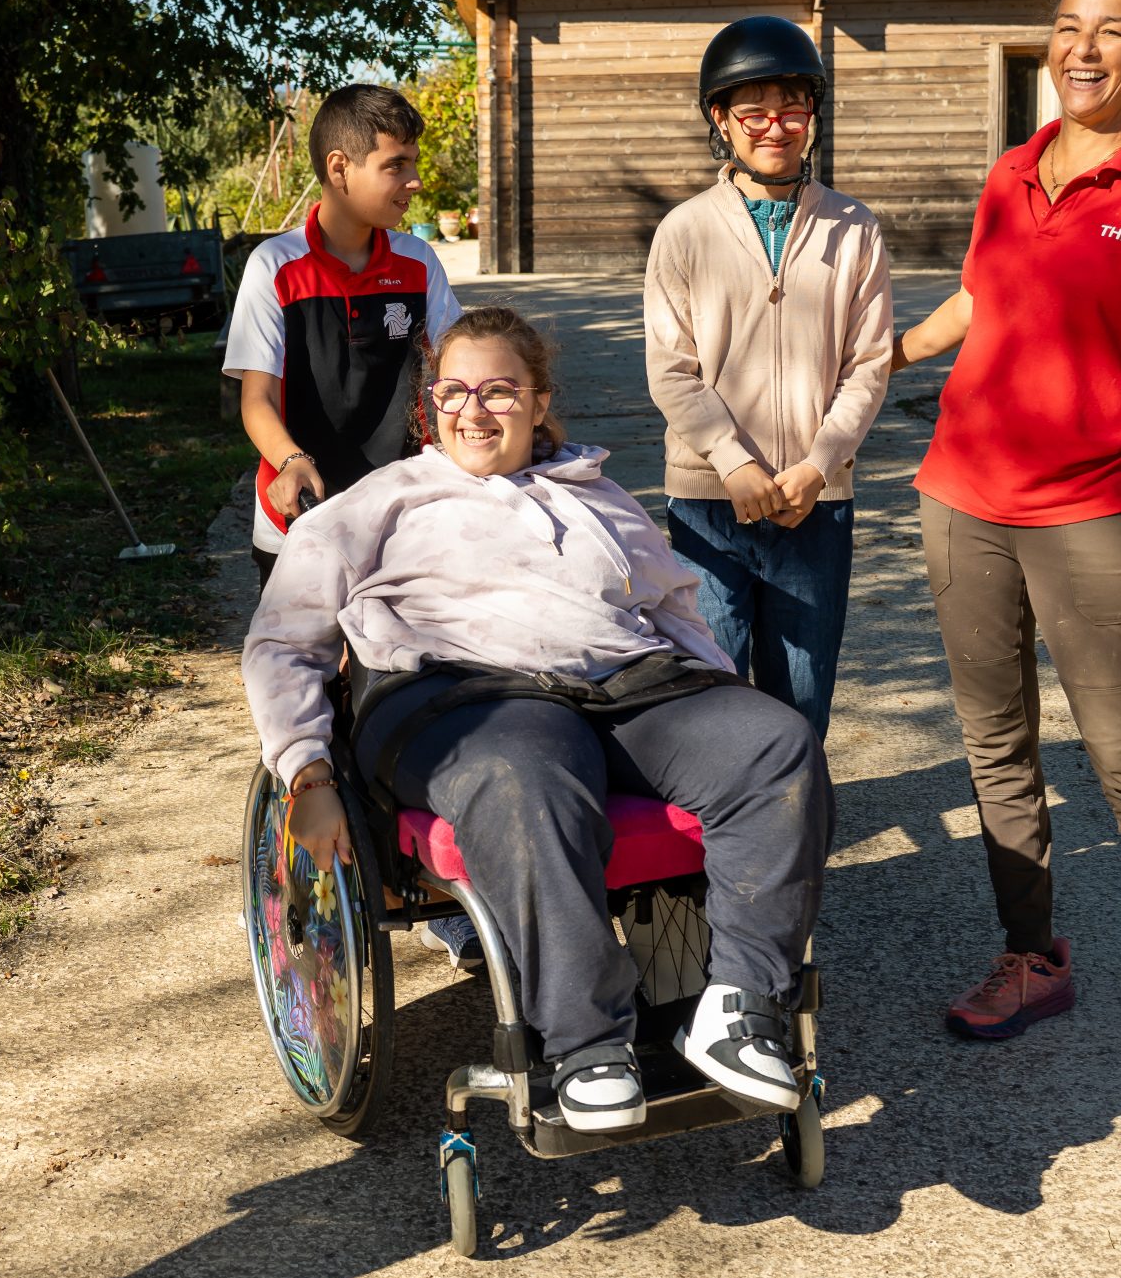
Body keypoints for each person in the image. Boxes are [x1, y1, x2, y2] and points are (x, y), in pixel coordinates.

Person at [245, 306, 832, 1131]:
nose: (473, 409)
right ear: (430, 404)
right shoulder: (380, 501)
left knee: (777, 744)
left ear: (539, 399)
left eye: (498, 390)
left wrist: (719, 700)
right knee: (525, 773)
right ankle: (587, 1039)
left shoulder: (599, 495)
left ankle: (739, 1011)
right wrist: (305, 767)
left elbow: (676, 614)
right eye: (453, 390)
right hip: (464, 694)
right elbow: (282, 639)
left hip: (627, 684)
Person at [891, 0, 1121, 1074]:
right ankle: (1031, 960)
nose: (1081, 49)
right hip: (963, 503)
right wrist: (873, 359)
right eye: (1065, 28)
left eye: (1111, 32)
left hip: (1097, 512)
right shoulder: (1011, 172)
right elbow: (978, 299)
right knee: (996, 748)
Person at [224, 82, 473, 968]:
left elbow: (451, 378)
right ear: (339, 168)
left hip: (401, 524)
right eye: (395, 164)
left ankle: (434, 887)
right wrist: (290, 460)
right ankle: (316, 884)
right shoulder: (275, 269)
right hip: (303, 526)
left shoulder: (418, 266)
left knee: (418, 692)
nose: (412, 181)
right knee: (319, 709)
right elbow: (256, 398)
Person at [646, 15, 892, 737]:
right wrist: (731, 461)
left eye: (791, 107)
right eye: (752, 111)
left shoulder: (854, 228)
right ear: (720, 121)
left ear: (813, 112)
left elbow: (869, 362)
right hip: (708, 500)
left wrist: (821, 463)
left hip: (816, 502)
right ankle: (715, 843)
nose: (774, 127)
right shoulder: (685, 231)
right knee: (711, 686)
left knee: (801, 699)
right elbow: (671, 366)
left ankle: (792, 839)